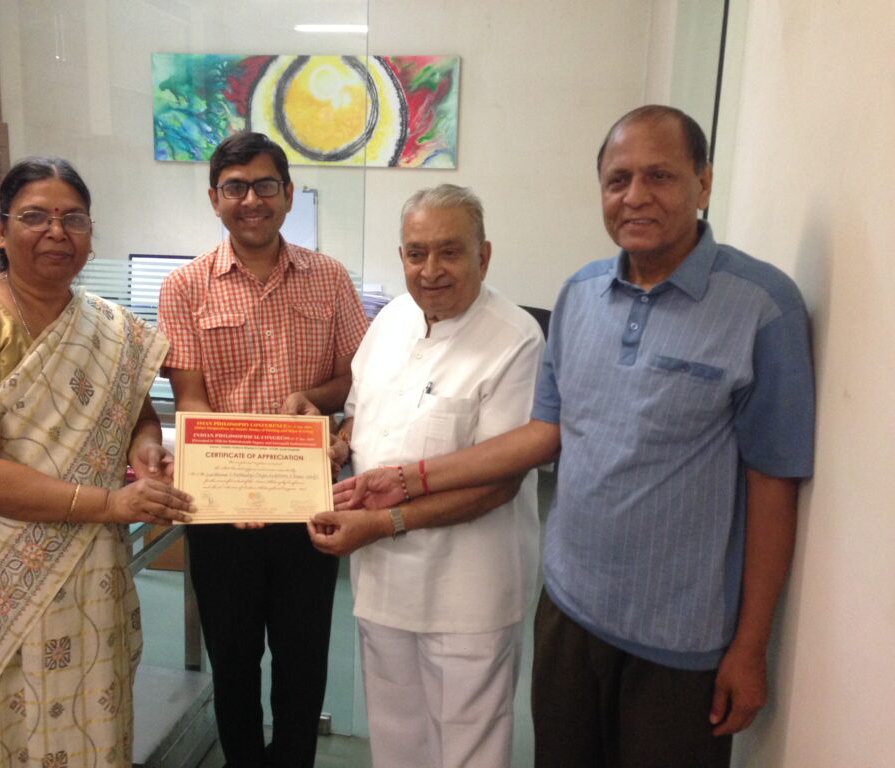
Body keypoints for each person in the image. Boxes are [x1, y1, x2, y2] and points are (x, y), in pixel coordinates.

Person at [335, 106, 816, 768]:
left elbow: (774, 485)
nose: (635, 196)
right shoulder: (582, 295)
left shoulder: (762, 306)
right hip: (568, 612)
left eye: (659, 176)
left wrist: (751, 645)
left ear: (704, 182)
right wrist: (406, 476)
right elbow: (545, 434)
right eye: (618, 180)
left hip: (679, 634)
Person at [0, 156, 195, 768]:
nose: (56, 233)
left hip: (88, 565)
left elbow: (138, 415)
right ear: (0, 230)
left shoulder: (111, 328)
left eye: (74, 219)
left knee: (93, 720)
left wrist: (146, 448)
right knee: (0, 727)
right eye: (35, 217)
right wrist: (110, 503)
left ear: (90, 233)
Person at [307, 184, 544, 768]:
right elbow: (360, 412)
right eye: (416, 253)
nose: (430, 270)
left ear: (483, 255)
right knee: (396, 743)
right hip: (383, 584)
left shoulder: (515, 340)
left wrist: (382, 522)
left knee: (467, 751)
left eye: (449, 252)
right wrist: (337, 443)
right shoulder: (391, 319)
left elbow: (498, 483)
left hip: (468, 594)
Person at [157, 131, 368, 768]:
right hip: (224, 514)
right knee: (234, 662)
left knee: (304, 660)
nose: (252, 200)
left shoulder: (329, 278)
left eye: (265, 185)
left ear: (288, 194)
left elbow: (358, 377)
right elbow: (191, 400)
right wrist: (229, 485)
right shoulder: (185, 287)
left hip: (309, 503)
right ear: (214, 199)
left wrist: (315, 400)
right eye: (236, 188)